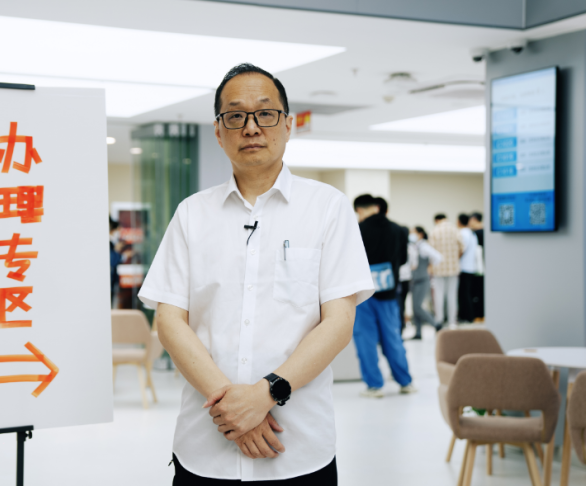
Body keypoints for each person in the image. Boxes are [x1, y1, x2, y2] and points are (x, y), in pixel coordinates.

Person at [138, 63, 374, 485]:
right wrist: (233, 407)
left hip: (298, 448)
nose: (251, 127)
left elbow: (339, 322)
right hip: (205, 448)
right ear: (218, 131)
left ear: (287, 125)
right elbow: (170, 320)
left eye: (265, 113)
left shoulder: (327, 208)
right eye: (235, 116)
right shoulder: (191, 214)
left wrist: (266, 394)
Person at [353, 194, 416, 398]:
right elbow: (403, 259)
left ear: (360, 210)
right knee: (393, 337)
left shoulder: (357, 229)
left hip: (363, 293)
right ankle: (405, 382)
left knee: (365, 339)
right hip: (389, 293)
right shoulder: (398, 230)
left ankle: (374, 386)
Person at [373, 197, 411, 333]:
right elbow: (404, 259)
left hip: (369, 285)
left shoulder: (361, 228)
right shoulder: (398, 229)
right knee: (392, 320)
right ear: (387, 210)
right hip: (391, 282)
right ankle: (399, 330)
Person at [430, 214, 464, 328]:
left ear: (437, 220)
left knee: (438, 295)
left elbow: (431, 251)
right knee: (452, 295)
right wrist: (455, 259)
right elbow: (462, 247)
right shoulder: (455, 230)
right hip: (453, 268)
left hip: (438, 269)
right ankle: (452, 321)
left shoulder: (434, 231)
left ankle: (439, 320)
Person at [409, 227, 442, 339]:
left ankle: (436, 324)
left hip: (422, 280)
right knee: (414, 307)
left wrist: (430, 267)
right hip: (414, 280)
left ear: (420, 234)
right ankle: (418, 333)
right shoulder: (414, 246)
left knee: (417, 307)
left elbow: (438, 257)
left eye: (413, 232)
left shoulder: (423, 246)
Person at [457, 213, 478, 323]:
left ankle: (467, 317)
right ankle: (469, 316)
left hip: (463, 267)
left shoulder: (462, 233)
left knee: (463, 294)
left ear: (459, 221)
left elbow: (461, 249)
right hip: (471, 267)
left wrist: (455, 259)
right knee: (467, 293)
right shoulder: (472, 233)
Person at [469, 212, 485, 321]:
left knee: (476, 292)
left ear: (474, 219)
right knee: (483, 291)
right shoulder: (487, 232)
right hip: (486, 266)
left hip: (477, 267)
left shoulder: (474, 234)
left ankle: (478, 315)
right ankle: (483, 315)